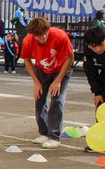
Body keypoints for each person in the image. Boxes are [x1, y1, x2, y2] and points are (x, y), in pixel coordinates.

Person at [20, 17, 75, 149]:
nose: (43, 37)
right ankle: (43, 133)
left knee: (57, 99)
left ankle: (54, 136)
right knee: (39, 98)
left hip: (61, 68)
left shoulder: (60, 36)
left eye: (45, 33)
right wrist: (36, 81)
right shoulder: (28, 41)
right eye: (39, 36)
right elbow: (26, 59)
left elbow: (70, 57)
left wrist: (58, 80)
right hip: (42, 70)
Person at [82, 26, 105, 152]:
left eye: (101, 45)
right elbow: (91, 72)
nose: (98, 49)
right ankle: (99, 139)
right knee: (101, 105)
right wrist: (97, 92)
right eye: (93, 46)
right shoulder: (88, 51)